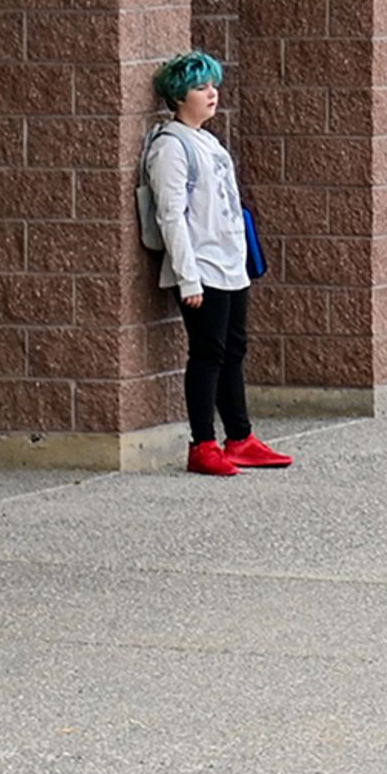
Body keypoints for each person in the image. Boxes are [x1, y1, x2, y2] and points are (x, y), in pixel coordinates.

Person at [137, 51, 289, 478]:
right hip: (201, 267)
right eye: (201, 87)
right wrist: (188, 277)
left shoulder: (209, 141)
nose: (212, 94)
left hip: (231, 264)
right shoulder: (171, 147)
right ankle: (202, 443)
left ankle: (239, 437)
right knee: (208, 353)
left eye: (213, 85)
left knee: (233, 350)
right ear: (178, 95)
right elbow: (171, 216)